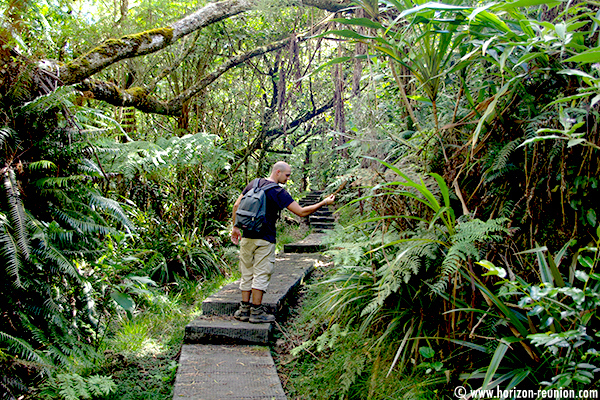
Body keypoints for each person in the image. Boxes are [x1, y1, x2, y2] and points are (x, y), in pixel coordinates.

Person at [230, 161, 335, 323]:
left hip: (247, 236)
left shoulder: (254, 183)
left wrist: (235, 228)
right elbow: (301, 212)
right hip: (265, 239)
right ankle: (256, 312)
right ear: (277, 172)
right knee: (261, 273)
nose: (288, 179)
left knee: (247, 272)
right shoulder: (279, 192)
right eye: (287, 175)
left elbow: (237, 205)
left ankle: (244, 309)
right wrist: (324, 203)